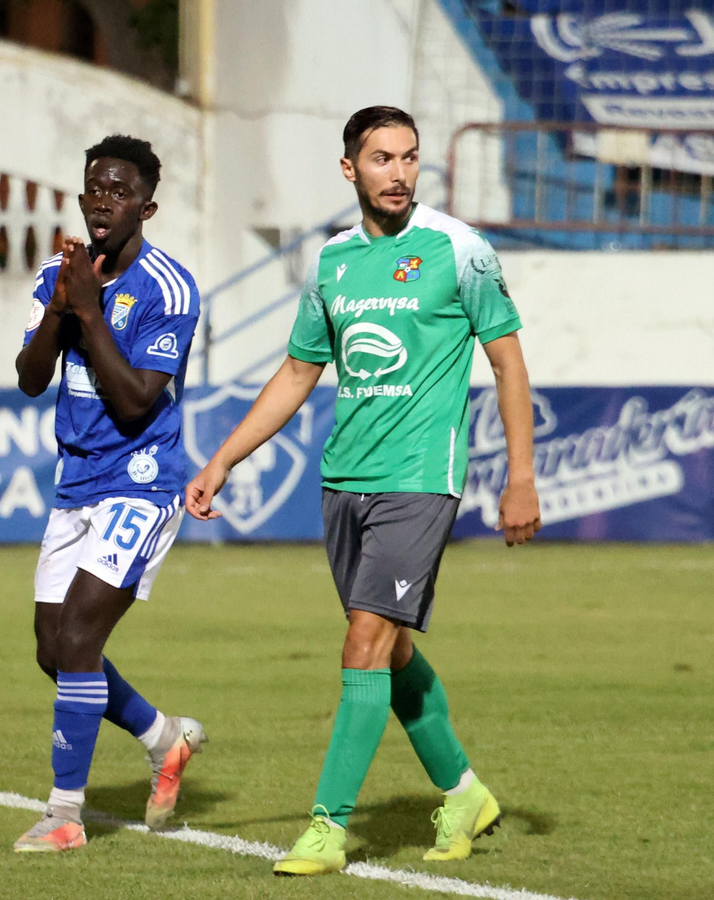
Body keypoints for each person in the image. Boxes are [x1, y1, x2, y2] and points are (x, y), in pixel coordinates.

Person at [184, 106, 541, 875]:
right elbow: (296, 372)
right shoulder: (333, 263)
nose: (400, 172)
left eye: (410, 157)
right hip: (345, 478)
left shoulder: (458, 250)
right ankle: (466, 792)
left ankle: (327, 827)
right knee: (392, 647)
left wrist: (519, 475)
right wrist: (224, 460)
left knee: (363, 642)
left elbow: (510, 365)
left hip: (421, 478)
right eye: (382, 158)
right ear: (350, 169)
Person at [11, 135, 206, 853]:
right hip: (77, 483)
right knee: (52, 650)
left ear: (146, 207)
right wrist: (64, 307)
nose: (102, 200)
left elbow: (133, 403)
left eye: (119, 191)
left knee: (82, 637)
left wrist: (90, 313)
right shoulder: (57, 274)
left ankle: (65, 814)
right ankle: (164, 739)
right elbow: (32, 378)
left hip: (142, 482)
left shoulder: (171, 289)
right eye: (95, 186)